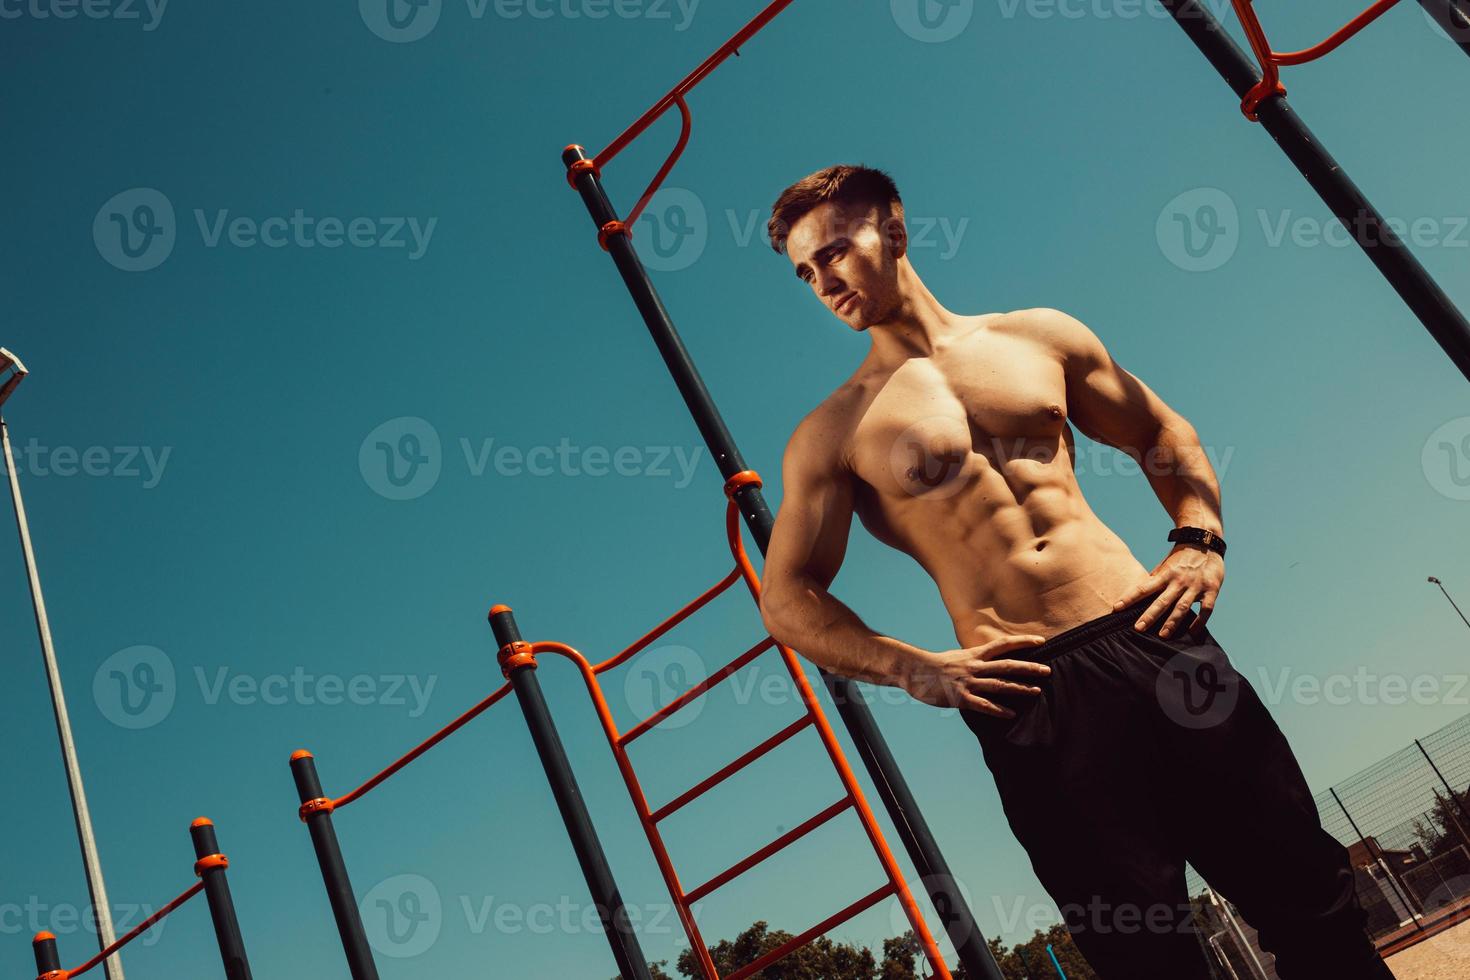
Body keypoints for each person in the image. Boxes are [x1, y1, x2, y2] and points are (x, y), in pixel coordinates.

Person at [755, 164, 1392, 979]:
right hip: (1028, 691)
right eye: (806, 271)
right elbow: (789, 597)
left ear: (897, 233)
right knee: (1145, 959)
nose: (824, 281)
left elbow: (1161, 430)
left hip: (1154, 637)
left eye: (837, 251)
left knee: (1311, 901)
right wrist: (911, 667)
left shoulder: (1038, 337)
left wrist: (1199, 539)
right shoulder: (833, 430)